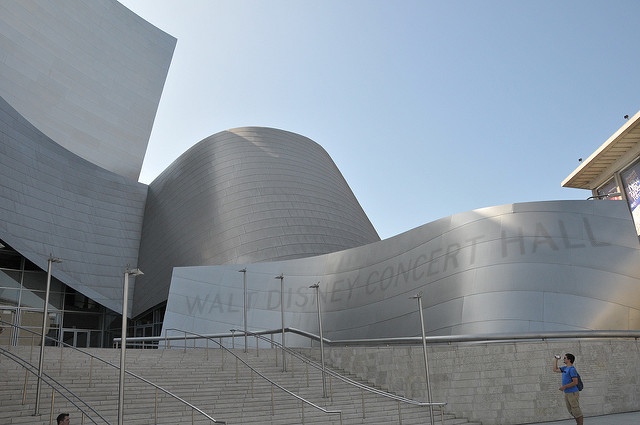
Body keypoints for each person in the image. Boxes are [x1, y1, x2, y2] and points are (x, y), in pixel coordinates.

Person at [553, 353, 583, 425]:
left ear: (569, 360)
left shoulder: (572, 369)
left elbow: (575, 382)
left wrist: (564, 386)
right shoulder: (565, 368)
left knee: (576, 410)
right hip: (567, 393)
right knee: (571, 410)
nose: (564, 359)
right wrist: (556, 360)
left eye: (565, 358)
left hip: (572, 393)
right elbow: (555, 369)